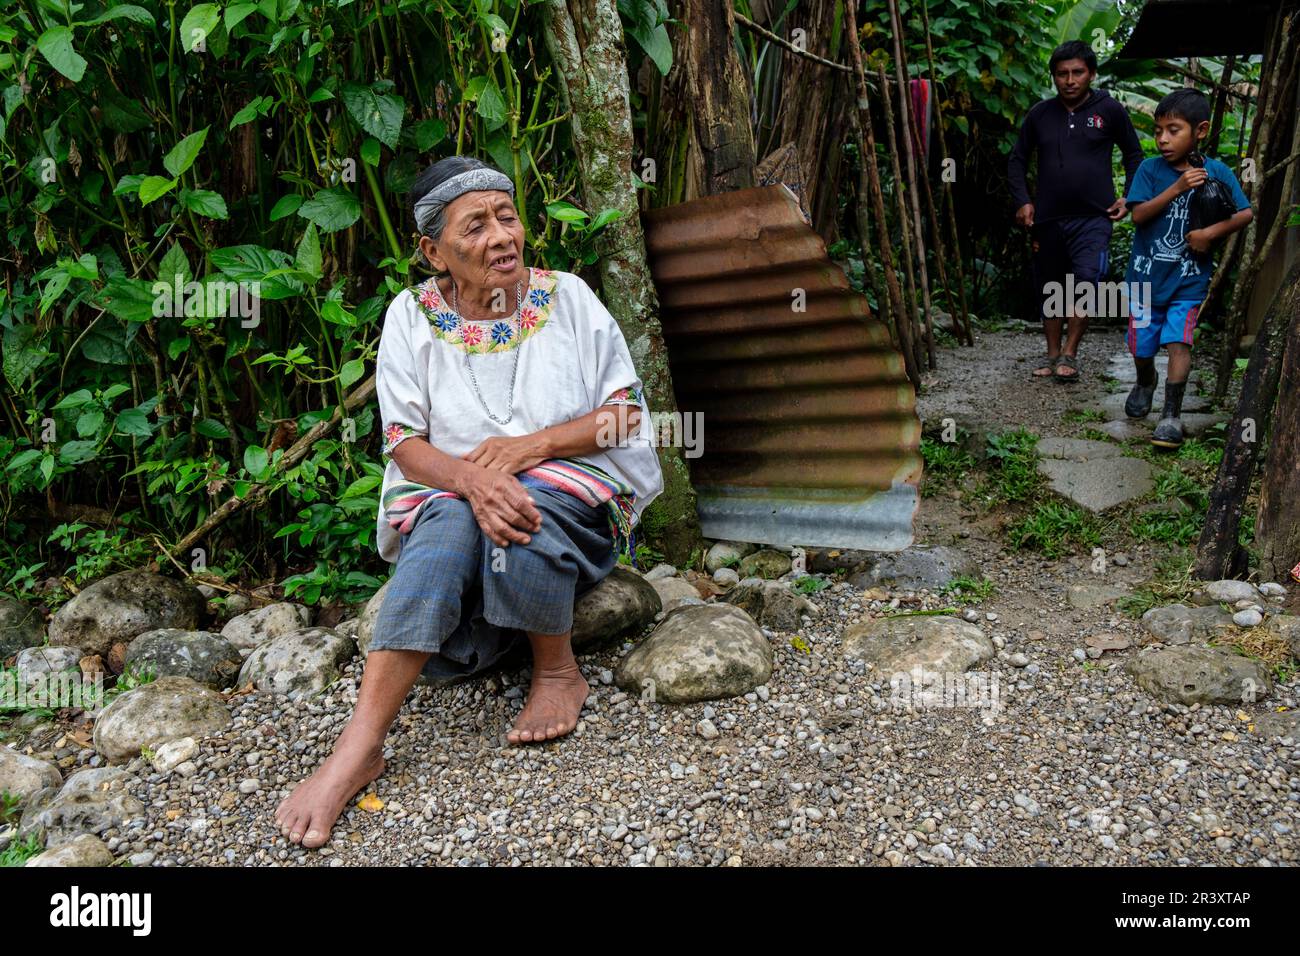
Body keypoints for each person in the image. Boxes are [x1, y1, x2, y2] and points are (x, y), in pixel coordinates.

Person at [275, 156, 664, 848]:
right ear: (433, 251)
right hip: (454, 490)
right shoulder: (410, 316)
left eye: (507, 216)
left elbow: (624, 416)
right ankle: (357, 748)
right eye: (476, 225)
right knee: (453, 522)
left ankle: (557, 668)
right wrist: (471, 478)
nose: (502, 236)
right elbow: (404, 442)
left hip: (569, 488)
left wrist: (527, 449)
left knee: (520, 505)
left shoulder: (568, 297)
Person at [1121, 89, 1253, 448]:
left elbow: (1244, 213)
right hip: (1146, 282)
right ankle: (1145, 380)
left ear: (1200, 130)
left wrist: (1210, 233)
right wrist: (1178, 188)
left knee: (1179, 344)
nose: (1162, 138)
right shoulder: (1150, 170)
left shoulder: (1217, 171)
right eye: (1158, 130)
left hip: (1187, 282)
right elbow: (1138, 215)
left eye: (1173, 129)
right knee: (1142, 348)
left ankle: (1171, 416)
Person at [1008, 39, 1144, 382]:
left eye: (1077, 73)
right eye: (1062, 74)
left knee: (1086, 282)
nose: (1070, 80)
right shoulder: (1040, 114)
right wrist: (1023, 201)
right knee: (1051, 288)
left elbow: (1134, 155)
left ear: (1091, 74)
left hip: (1095, 218)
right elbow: (1017, 159)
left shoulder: (1110, 110)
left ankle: (1070, 353)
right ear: (1054, 76)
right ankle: (1052, 355)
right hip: (1047, 219)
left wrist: (1128, 197)